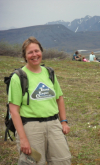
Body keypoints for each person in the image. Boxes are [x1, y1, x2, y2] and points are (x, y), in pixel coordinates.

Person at [8, 36, 71, 165]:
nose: (34, 55)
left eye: (37, 51)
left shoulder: (49, 73)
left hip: (54, 124)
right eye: (30, 52)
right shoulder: (18, 77)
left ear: (41, 52)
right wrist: (23, 139)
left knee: (63, 161)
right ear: (25, 56)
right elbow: (14, 111)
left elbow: (59, 98)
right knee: (34, 162)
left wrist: (63, 122)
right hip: (31, 127)